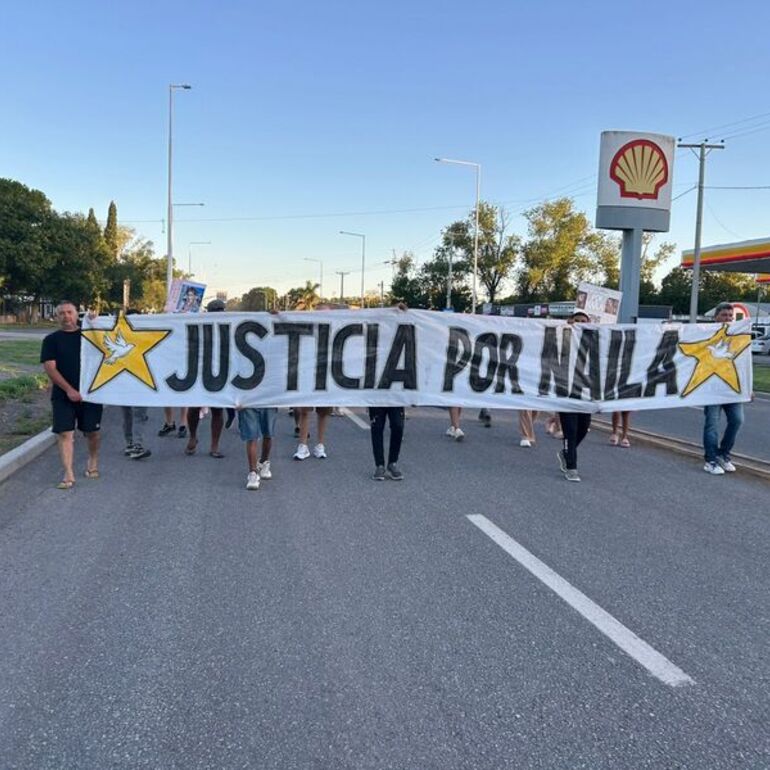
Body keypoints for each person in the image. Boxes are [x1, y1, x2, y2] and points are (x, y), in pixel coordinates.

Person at [40, 301, 103, 488]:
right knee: (65, 433)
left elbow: (109, 344)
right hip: (63, 395)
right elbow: (50, 368)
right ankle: (68, 474)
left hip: (90, 394)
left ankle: (92, 460)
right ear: (56, 317)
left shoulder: (88, 335)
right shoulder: (51, 340)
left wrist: (96, 323)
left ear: (77, 314)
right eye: (61, 313)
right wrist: (69, 390)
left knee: (92, 432)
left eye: (69, 312)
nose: (66, 316)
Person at [703, 302, 745, 475]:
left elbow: (743, 363)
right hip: (712, 387)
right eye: (724, 315)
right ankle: (711, 460)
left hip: (731, 388)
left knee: (737, 420)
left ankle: (723, 454)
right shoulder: (704, 334)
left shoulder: (738, 336)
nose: (728, 319)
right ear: (716, 317)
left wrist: (747, 387)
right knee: (712, 424)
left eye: (730, 316)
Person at [184, 298, 227, 457]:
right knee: (194, 407)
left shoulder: (228, 326)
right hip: (201, 371)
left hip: (220, 371)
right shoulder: (200, 325)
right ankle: (193, 436)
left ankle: (214, 445)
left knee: (217, 409)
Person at [557, 310, 592, 482]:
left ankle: (567, 452)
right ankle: (572, 467)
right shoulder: (562, 338)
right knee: (570, 431)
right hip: (565, 392)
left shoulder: (593, 341)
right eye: (576, 320)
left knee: (583, 428)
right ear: (570, 322)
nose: (579, 323)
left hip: (584, 394)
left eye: (583, 321)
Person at [239, 406, 278, 489]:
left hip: (268, 400)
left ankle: (264, 462)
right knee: (252, 436)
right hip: (249, 400)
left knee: (268, 433)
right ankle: (253, 472)